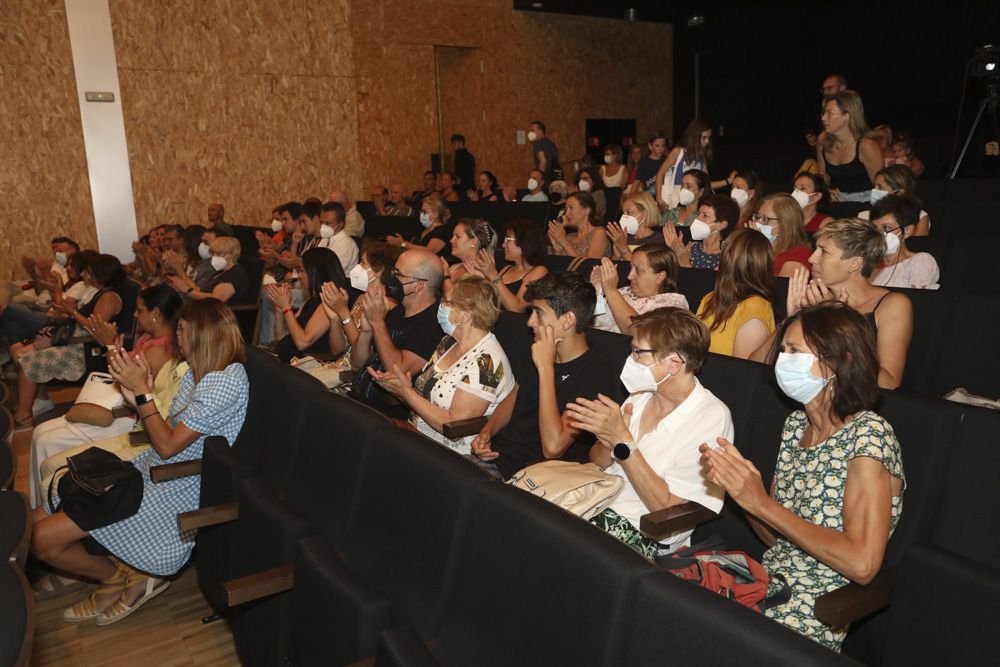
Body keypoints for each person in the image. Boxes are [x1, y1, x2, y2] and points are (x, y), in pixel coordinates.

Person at [30, 298, 248, 625]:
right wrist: (136, 393)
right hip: (150, 469)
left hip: (173, 482)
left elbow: (169, 445)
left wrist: (143, 392)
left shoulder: (225, 381)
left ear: (204, 335)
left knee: (41, 540)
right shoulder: (198, 375)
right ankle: (118, 576)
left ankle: (112, 579)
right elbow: (163, 428)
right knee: (36, 519)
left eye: (184, 332)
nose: (177, 340)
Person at [702, 302, 904, 650]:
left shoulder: (869, 436)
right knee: (675, 596)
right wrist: (744, 495)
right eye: (783, 350)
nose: (783, 360)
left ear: (841, 361)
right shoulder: (796, 424)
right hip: (769, 578)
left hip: (815, 602)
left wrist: (761, 503)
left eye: (794, 351)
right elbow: (776, 540)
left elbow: (862, 563)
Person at [567, 307, 732, 556]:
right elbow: (597, 460)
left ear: (674, 363)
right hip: (596, 503)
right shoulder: (642, 394)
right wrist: (607, 437)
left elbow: (665, 508)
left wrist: (623, 441)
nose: (630, 360)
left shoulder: (710, 417)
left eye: (638, 353)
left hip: (642, 532)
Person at [28, 285, 183, 508]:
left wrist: (109, 346)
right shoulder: (148, 337)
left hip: (128, 414)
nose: (134, 314)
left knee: (44, 439)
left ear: (156, 313)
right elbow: (126, 366)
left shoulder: (161, 349)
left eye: (140, 310)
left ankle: (46, 506)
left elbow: (127, 378)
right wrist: (115, 349)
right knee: (40, 432)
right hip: (121, 401)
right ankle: (38, 507)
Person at [470, 272, 616, 480]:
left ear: (568, 320)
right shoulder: (542, 349)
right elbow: (514, 397)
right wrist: (487, 432)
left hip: (528, 476)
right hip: (495, 459)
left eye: (538, 313)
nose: (530, 322)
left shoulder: (594, 372)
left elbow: (553, 447)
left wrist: (546, 368)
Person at [752, 218, 912, 389]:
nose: (812, 258)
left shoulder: (893, 304)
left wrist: (832, 322)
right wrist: (791, 320)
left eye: (824, 251)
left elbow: (889, 382)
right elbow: (754, 365)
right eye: (815, 249)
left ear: (854, 263)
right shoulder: (812, 299)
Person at [370, 275, 515, 454]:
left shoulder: (489, 363)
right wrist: (400, 387)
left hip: (447, 455)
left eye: (447, 302)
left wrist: (407, 394)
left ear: (465, 315)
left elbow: (453, 426)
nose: (441, 306)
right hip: (417, 434)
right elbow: (426, 398)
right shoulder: (449, 342)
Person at [11, 255, 130, 426]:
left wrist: (73, 313)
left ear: (99, 274)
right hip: (81, 345)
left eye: (88, 272)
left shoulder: (109, 297)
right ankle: (33, 405)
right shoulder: (101, 293)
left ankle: (22, 417)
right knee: (25, 353)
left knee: (27, 361)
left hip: (89, 352)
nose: (84, 275)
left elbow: (95, 331)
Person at [349, 248, 444, 419]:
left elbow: (398, 371)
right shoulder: (397, 311)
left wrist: (377, 323)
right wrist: (366, 331)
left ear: (417, 286)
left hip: (384, 417)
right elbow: (357, 365)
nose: (391, 278)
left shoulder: (434, 323)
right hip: (357, 401)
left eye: (398, 273)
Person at [697, 229, 775, 359]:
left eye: (724, 248)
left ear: (728, 257)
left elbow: (740, 373)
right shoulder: (710, 298)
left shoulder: (754, 308)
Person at [268, 247, 350, 363]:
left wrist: (287, 308)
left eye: (302, 271)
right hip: (287, 362)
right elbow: (282, 339)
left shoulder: (328, 304)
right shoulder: (312, 300)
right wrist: (280, 309)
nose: (299, 276)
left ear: (315, 273)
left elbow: (302, 343)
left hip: (303, 369)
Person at [321, 241, 403, 356]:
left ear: (380, 271)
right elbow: (338, 350)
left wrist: (343, 312)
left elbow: (361, 355)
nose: (357, 267)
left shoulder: (387, 306)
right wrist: (335, 320)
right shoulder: (361, 297)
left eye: (363, 263)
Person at [591, 245, 688, 335]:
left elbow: (637, 332)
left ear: (660, 277)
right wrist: (597, 294)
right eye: (631, 268)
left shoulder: (674, 305)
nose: (629, 276)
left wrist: (611, 291)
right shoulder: (624, 291)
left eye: (638, 270)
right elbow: (594, 324)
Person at [462, 219, 548, 313]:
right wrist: (479, 279)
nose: (503, 245)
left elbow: (517, 308)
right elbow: (488, 302)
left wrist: (493, 275)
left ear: (524, 242)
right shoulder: (506, 269)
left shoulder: (539, 271)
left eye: (508, 239)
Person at [817, 91, 883, 204]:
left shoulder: (866, 146)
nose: (823, 118)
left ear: (847, 116)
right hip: (837, 203)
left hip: (866, 205)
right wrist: (825, 191)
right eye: (824, 113)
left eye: (830, 113)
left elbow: (881, 187)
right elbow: (824, 177)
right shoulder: (823, 140)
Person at [869, 194, 940, 289]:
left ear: (907, 231)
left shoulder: (920, 261)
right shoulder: (866, 263)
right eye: (874, 229)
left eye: (886, 228)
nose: (878, 234)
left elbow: (919, 300)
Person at [663, 194, 740, 271]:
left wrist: (685, 262)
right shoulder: (692, 247)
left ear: (722, 225)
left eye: (705, 216)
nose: (698, 219)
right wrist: (673, 250)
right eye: (698, 214)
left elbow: (704, 282)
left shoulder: (726, 258)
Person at [170, 236, 253, 304]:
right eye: (213, 253)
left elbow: (216, 299)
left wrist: (188, 291)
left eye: (218, 254)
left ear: (230, 255)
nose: (213, 257)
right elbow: (199, 290)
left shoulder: (236, 274)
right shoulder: (220, 271)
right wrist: (181, 283)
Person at [749, 193, 811, 277]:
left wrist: (759, 248)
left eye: (765, 219)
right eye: (757, 216)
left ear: (785, 224)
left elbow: (780, 288)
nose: (757, 223)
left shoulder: (799, 253)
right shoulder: (752, 246)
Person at [859, 165, 931, 236]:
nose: (874, 191)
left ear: (900, 193)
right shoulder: (864, 215)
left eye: (880, 188)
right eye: (874, 186)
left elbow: (917, 245)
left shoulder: (919, 216)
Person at [547, 192, 609, 259]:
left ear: (586, 210)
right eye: (566, 209)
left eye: (571, 208)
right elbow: (561, 266)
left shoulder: (599, 232)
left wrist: (564, 242)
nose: (566, 214)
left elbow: (589, 266)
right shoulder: (569, 237)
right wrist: (558, 250)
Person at [443, 218, 496, 296]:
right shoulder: (452, 268)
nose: (451, 240)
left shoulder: (483, 272)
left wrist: (445, 276)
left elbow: (454, 300)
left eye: (457, 236)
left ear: (473, 241)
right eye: (453, 236)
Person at [607, 191, 665, 261]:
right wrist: (616, 256)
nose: (624, 217)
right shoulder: (623, 237)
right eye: (623, 213)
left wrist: (624, 249)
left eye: (628, 212)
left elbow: (640, 269)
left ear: (644, 214)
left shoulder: (658, 240)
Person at [387, 197, 451, 255]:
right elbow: (411, 247)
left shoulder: (442, 231)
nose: (421, 214)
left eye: (424, 212)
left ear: (436, 214)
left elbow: (430, 251)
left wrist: (403, 244)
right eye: (421, 211)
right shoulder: (421, 229)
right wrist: (398, 243)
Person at [635, 131, 669, 198]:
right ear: (650, 146)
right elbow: (636, 182)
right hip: (649, 198)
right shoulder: (643, 162)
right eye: (657, 146)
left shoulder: (667, 160)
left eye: (663, 145)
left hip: (664, 197)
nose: (660, 149)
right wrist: (631, 198)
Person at [528, 120, 562, 185]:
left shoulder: (538, 144)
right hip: (555, 181)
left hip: (546, 181)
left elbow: (543, 161)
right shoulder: (551, 144)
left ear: (540, 131)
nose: (530, 133)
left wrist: (539, 179)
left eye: (532, 130)